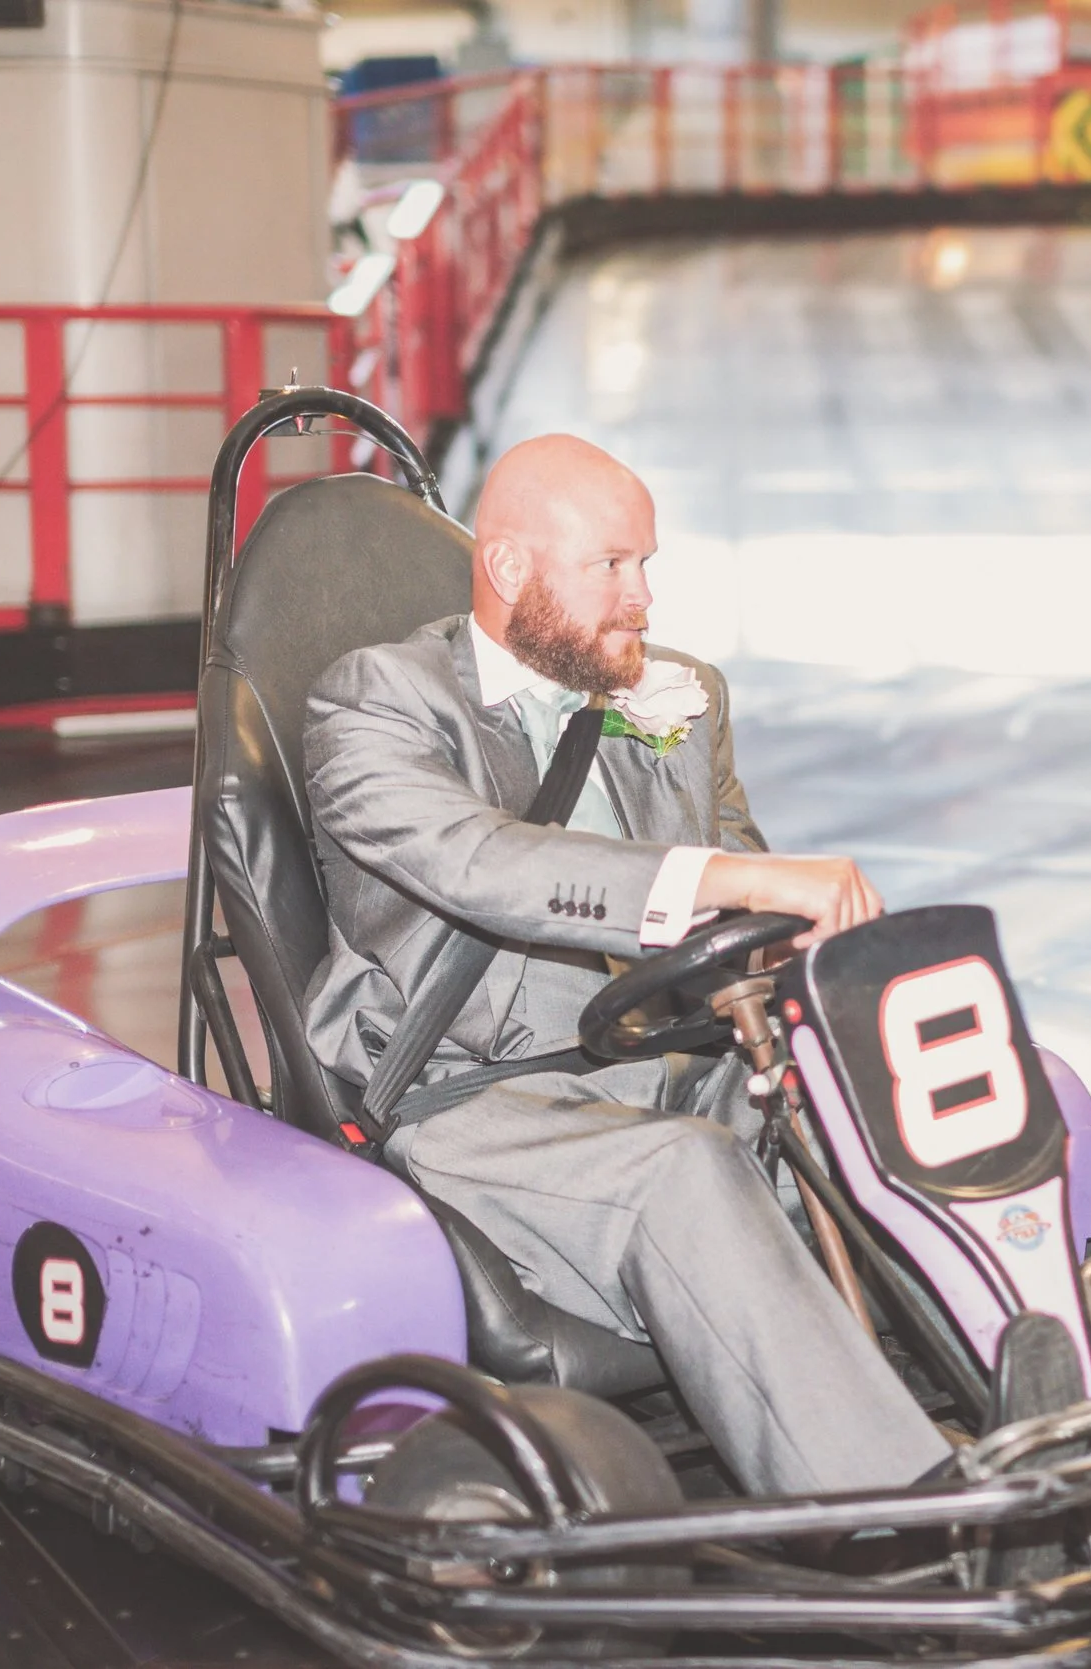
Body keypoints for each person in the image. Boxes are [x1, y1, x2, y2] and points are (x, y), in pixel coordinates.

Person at [299, 433, 954, 1496]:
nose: (642, 597)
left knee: (886, 1090)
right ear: (510, 570)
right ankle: (903, 1514)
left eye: (647, 564)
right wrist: (713, 882)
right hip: (472, 1097)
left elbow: (742, 878)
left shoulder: (679, 699)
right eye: (610, 567)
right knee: (681, 1167)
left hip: (653, 1057)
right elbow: (478, 861)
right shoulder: (378, 699)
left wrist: (804, 944)